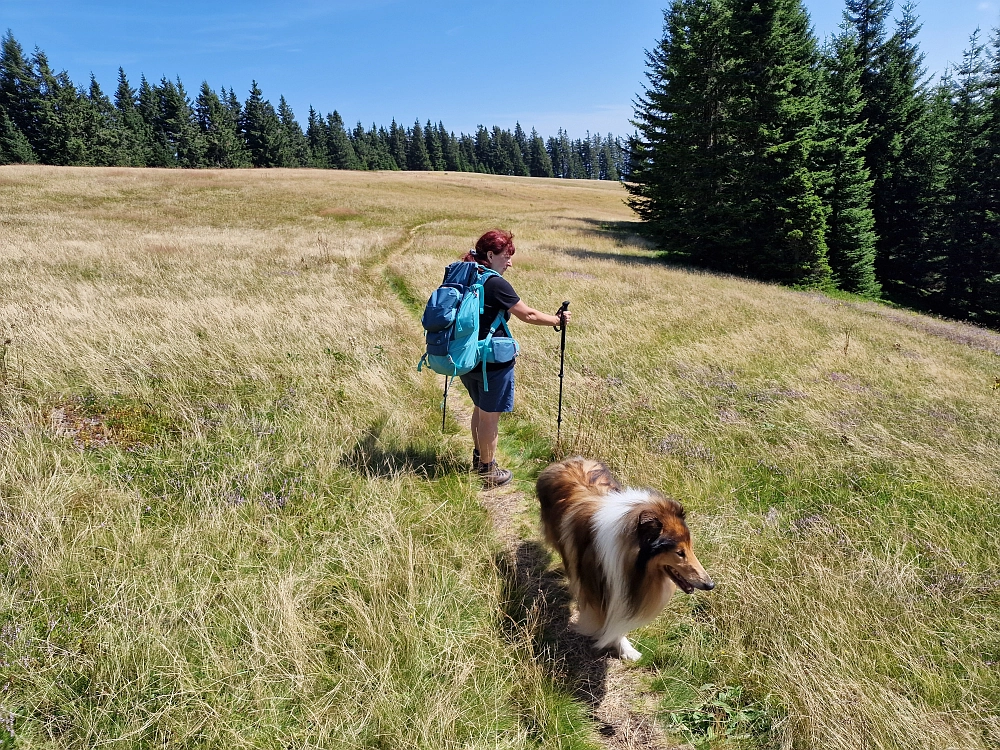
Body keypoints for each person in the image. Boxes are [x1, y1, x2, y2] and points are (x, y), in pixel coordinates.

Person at [459, 230, 571, 488]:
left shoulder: (466, 272)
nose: (510, 262)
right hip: (492, 361)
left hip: (467, 357)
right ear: (490, 255)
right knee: (490, 416)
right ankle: (488, 472)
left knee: (479, 408)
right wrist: (557, 320)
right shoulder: (495, 282)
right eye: (506, 256)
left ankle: (479, 459)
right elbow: (528, 315)